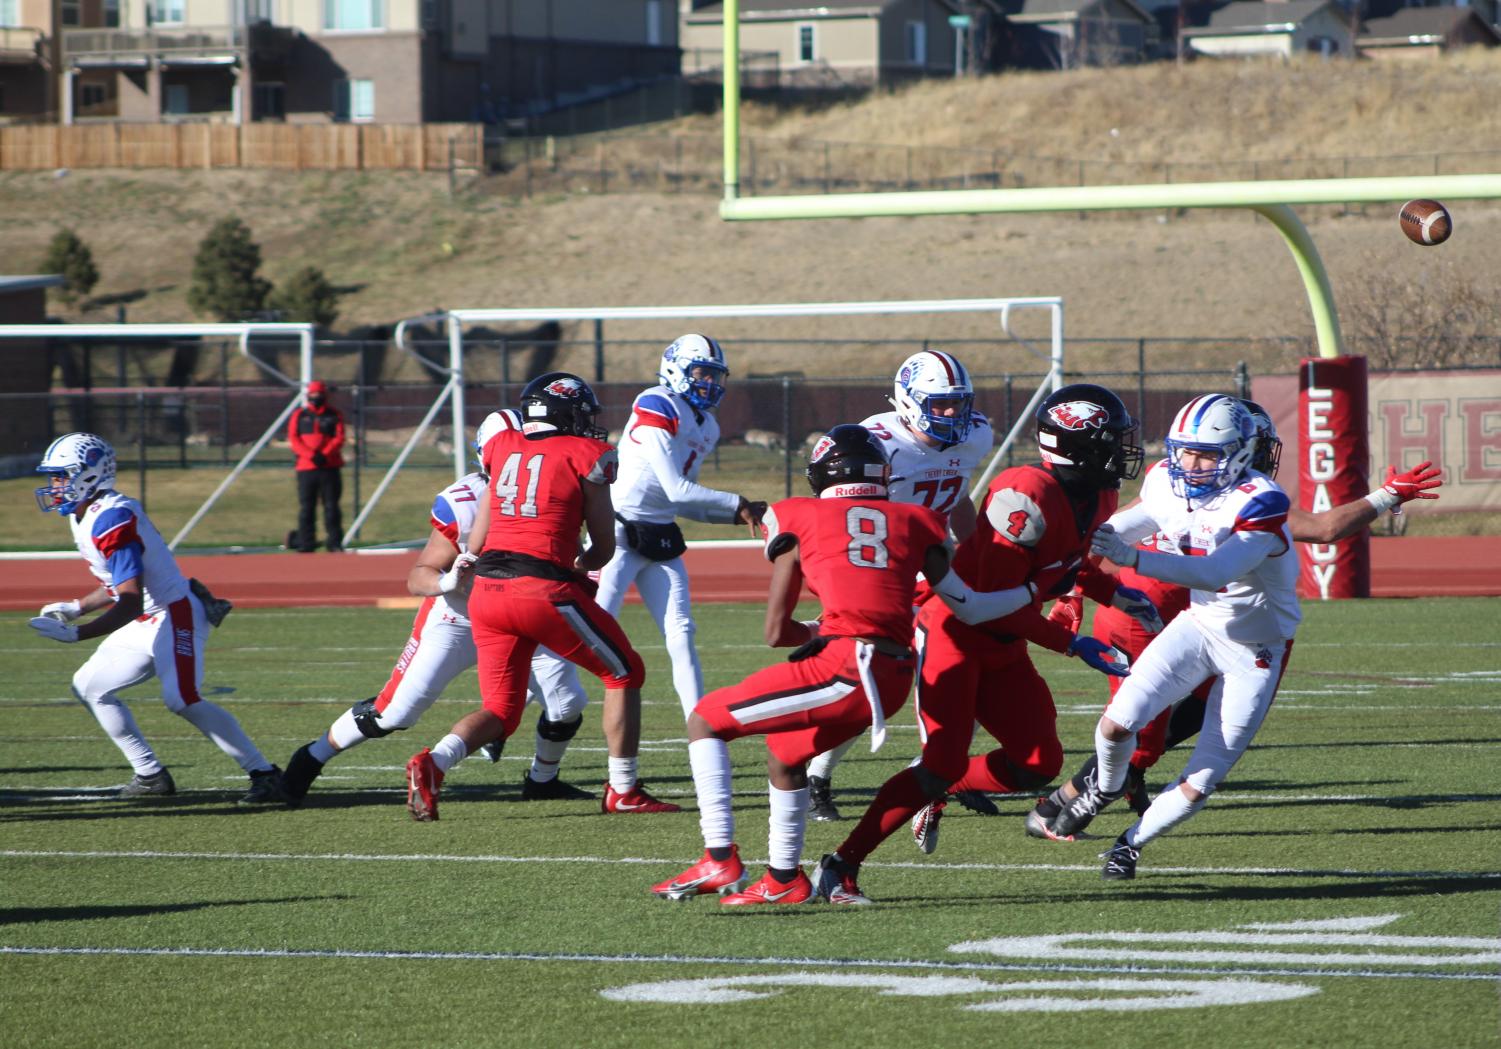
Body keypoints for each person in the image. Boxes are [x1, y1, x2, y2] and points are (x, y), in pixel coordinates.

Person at [651, 425, 1036, 905]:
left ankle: (719, 857)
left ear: (820, 475)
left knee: (704, 720)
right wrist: (1036, 590)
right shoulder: (918, 520)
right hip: (895, 675)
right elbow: (972, 607)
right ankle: (783, 879)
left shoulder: (795, 515)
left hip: (845, 666)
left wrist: (815, 632)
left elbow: (776, 633)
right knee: (786, 756)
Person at [1027, 400, 1444, 840]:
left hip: (1198, 616)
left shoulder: (1241, 496)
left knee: (1191, 714)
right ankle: (1059, 806)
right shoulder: (1177, 484)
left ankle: (1110, 789)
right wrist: (1387, 495)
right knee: (1142, 735)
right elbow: (1100, 535)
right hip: (1146, 611)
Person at [809, 384, 1158, 903]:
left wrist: (1117, 594)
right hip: (956, 632)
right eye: (1108, 440)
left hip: (1005, 641)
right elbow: (993, 599)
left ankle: (943, 783)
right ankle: (841, 864)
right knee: (940, 764)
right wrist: (1072, 643)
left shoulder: (1097, 493)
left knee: (1037, 763)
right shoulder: (1024, 493)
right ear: (1074, 446)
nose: (1121, 451)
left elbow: (1066, 562)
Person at [281, 411, 595, 807]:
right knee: (395, 713)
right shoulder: (465, 503)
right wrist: (447, 581)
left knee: (568, 703)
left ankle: (542, 780)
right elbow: (419, 576)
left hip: (528, 611)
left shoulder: (559, 485)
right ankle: (310, 758)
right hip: (460, 616)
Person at [403, 372, 678, 821]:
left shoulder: (501, 446)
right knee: (625, 672)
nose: (589, 422)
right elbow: (604, 548)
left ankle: (434, 763)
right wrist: (581, 565)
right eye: (582, 413)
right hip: (542, 588)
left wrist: (477, 560)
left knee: (501, 709)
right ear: (563, 412)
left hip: (488, 593)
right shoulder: (589, 455)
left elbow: (480, 533)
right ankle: (624, 788)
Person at [1056, 393, 1302, 880]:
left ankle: (1129, 844)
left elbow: (1215, 572)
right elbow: (1118, 528)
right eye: (1184, 451)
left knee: (1202, 778)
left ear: (1238, 452)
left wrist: (1131, 560)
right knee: (1114, 726)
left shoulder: (1261, 500)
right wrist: (1069, 542)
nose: (1191, 463)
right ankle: (1106, 786)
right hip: (1199, 626)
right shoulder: (1164, 481)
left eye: (1207, 454)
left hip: (1256, 648)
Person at [28, 432, 285, 804]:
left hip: (173, 612)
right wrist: (78, 606)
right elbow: (120, 584)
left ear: (88, 474)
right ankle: (149, 775)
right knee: (89, 686)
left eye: (61, 476)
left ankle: (265, 773)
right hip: (145, 619)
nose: (54, 486)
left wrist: (77, 634)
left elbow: (130, 600)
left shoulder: (111, 517)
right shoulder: (86, 514)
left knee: (181, 698)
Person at [806, 349, 996, 822]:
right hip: (884, 575)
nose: (954, 414)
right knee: (872, 683)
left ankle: (946, 771)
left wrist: (978, 553)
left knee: (971, 671)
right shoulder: (875, 443)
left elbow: (958, 493)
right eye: (942, 404)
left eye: (960, 402)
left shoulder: (975, 435)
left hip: (937, 570)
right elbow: (837, 517)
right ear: (909, 401)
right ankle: (816, 775)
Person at [596, 333, 765, 721]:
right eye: (701, 372)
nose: (709, 382)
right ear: (675, 369)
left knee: (682, 634)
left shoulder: (708, 425)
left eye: (714, 375)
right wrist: (736, 502)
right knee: (592, 630)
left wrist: (734, 516)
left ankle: (700, 725)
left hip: (660, 535)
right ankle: (534, 705)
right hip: (618, 535)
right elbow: (678, 487)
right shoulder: (657, 401)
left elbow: (679, 500)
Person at [288, 379, 345, 553]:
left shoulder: (334, 415)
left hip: (329, 467)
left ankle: (334, 542)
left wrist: (325, 454)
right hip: (306, 468)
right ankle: (307, 542)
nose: (316, 397)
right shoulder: (299, 415)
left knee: (331, 506)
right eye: (313, 394)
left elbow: (339, 437)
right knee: (307, 507)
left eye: (319, 394)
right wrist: (311, 455)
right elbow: (294, 438)